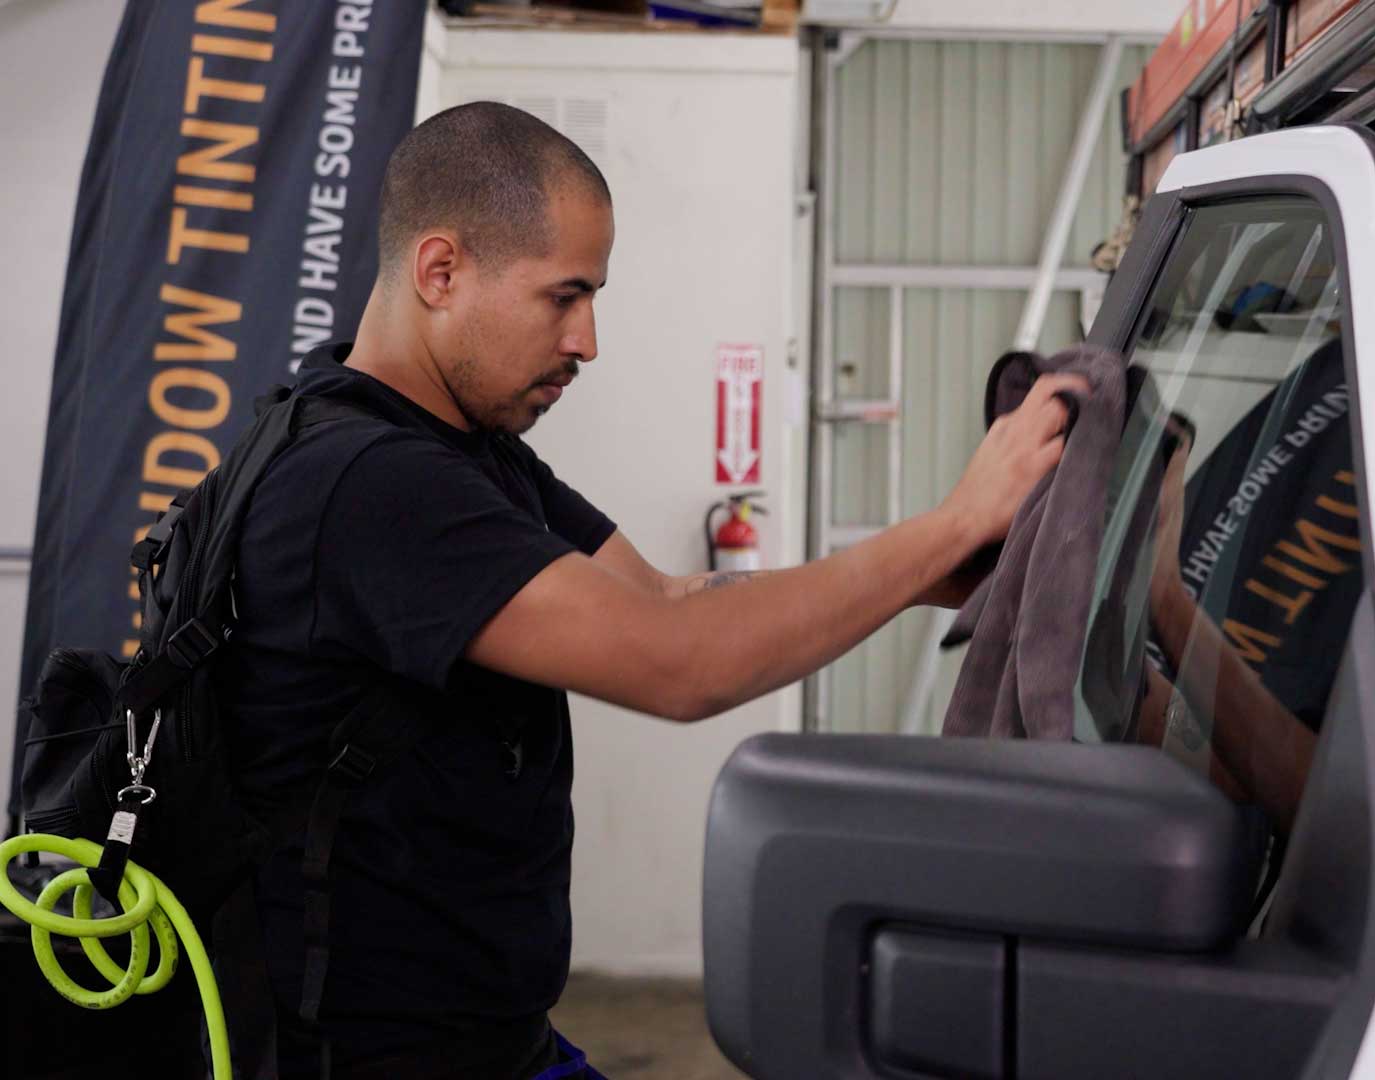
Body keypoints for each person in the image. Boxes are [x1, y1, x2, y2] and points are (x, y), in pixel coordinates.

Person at [219, 101, 1077, 1078]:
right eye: (564, 296)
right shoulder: (368, 486)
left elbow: (665, 602)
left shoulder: (458, 452)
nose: (587, 340)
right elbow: (678, 664)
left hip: (494, 1042)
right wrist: (949, 525)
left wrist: (934, 573)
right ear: (441, 271)